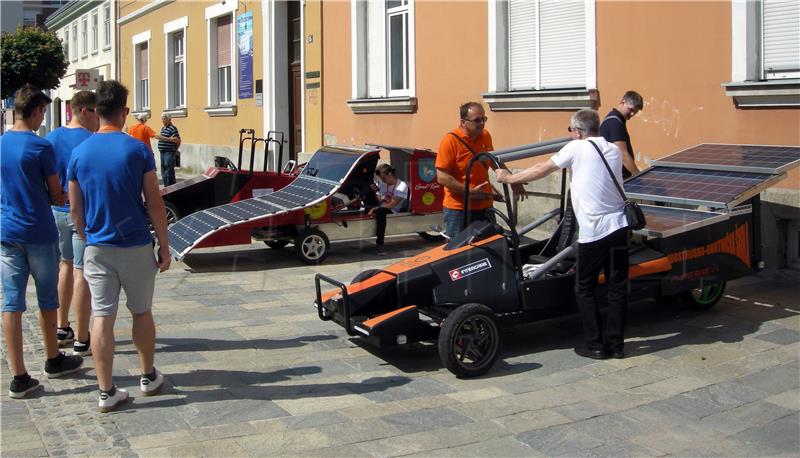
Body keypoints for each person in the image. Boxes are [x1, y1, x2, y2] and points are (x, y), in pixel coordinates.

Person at [68, 80, 171, 412]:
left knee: (103, 316)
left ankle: (106, 390)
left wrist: (86, 236)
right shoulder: (137, 150)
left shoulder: (79, 153)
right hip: (136, 244)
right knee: (141, 311)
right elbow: (154, 203)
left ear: (96, 111)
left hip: (97, 246)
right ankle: (146, 375)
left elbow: (75, 207)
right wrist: (164, 247)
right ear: (124, 112)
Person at [496, 109, 629, 360]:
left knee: (584, 287)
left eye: (571, 131)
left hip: (595, 231)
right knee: (617, 288)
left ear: (577, 131)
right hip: (620, 227)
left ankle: (596, 345)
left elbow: (541, 168)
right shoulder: (612, 149)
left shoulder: (577, 148)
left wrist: (509, 177)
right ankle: (617, 345)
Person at [1, 84, 84, 399]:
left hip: (7, 232)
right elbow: (54, 191)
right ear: (35, 111)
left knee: (11, 304)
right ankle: (53, 358)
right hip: (37, 230)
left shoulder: (1, 142)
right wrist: (62, 194)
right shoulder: (39, 148)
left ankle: (19, 375)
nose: (41, 120)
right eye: (42, 113)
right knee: (47, 300)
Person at [45, 90, 98, 357]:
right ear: (84, 111)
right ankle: (82, 336)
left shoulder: (51, 138)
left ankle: (61, 325)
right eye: (96, 111)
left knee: (64, 266)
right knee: (81, 271)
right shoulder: (91, 140)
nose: (98, 117)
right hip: (81, 212)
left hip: (56, 210)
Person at [436, 102, 523, 238]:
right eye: (477, 120)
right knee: (459, 253)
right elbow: (442, 177)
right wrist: (469, 192)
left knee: (488, 248)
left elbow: (494, 161)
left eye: (484, 119)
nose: (482, 123)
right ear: (463, 122)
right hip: (459, 210)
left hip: (484, 206)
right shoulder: (450, 141)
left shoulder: (485, 135)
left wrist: (513, 180)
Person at [599, 90, 643, 178]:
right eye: (630, 109)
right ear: (622, 102)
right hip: (618, 178)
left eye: (635, 112)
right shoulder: (614, 123)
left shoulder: (616, 120)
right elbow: (623, 154)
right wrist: (639, 176)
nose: (632, 114)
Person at [368, 164, 409, 253]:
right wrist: (376, 191)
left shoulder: (402, 186)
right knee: (368, 193)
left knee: (381, 211)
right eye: (381, 179)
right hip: (382, 206)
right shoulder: (383, 183)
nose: (382, 181)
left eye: (383, 178)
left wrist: (375, 209)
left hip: (392, 210)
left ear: (390, 175)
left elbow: (392, 205)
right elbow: (380, 201)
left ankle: (380, 243)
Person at [157, 113, 181, 187]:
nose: (162, 120)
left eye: (164, 119)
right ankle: (166, 186)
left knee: (169, 170)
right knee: (163, 170)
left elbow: (178, 140)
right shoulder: (163, 128)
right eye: (162, 119)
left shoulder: (173, 128)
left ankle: (171, 187)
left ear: (169, 119)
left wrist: (175, 150)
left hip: (169, 152)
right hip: (162, 152)